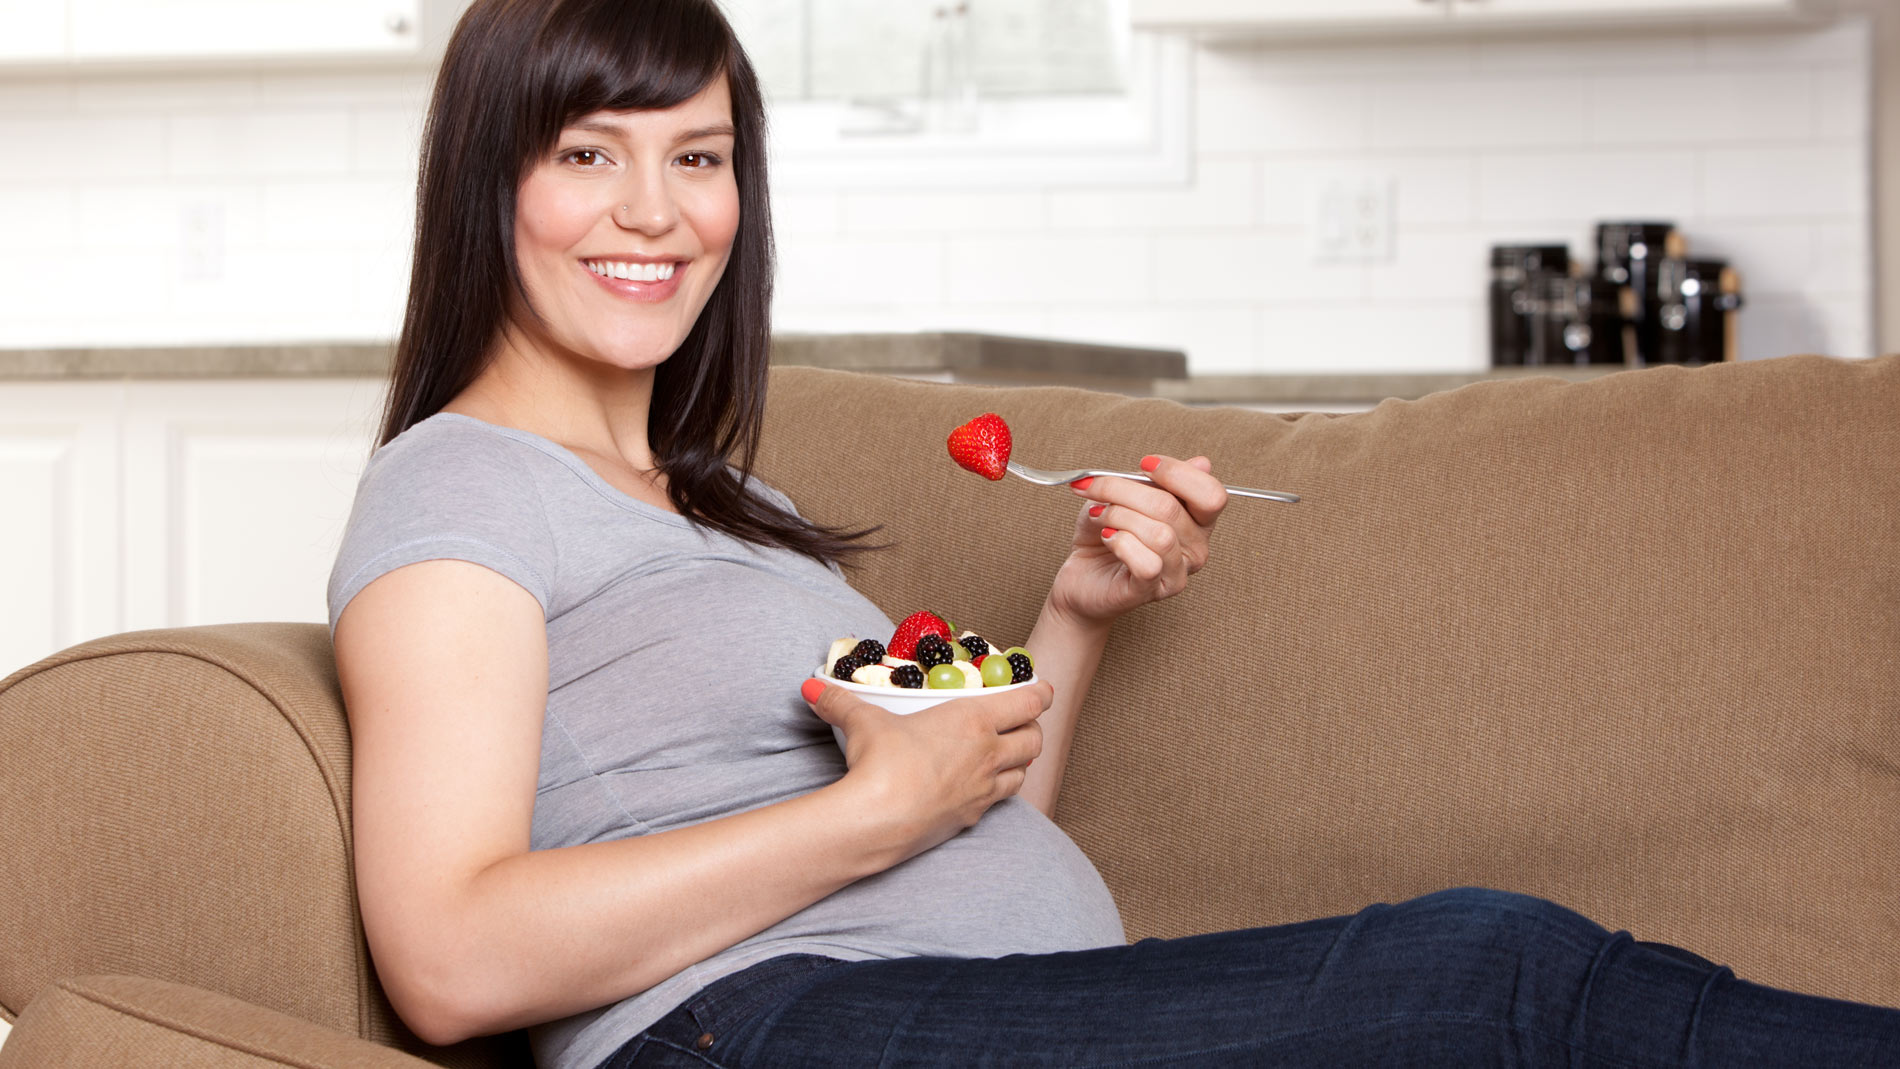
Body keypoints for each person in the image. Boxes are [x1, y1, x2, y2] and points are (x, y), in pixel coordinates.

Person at [326, 1, 1900, 1066]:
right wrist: (869, 814)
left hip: (946, 1004)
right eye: (590, 153)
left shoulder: (731, 503)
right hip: (761, 1031)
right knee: (1490, 976)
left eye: (701, 157)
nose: (657, 214)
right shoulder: (458, 485)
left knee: (1498, 977)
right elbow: (452, 953)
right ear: (492, 180)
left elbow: (963, 810)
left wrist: (1069, 618)